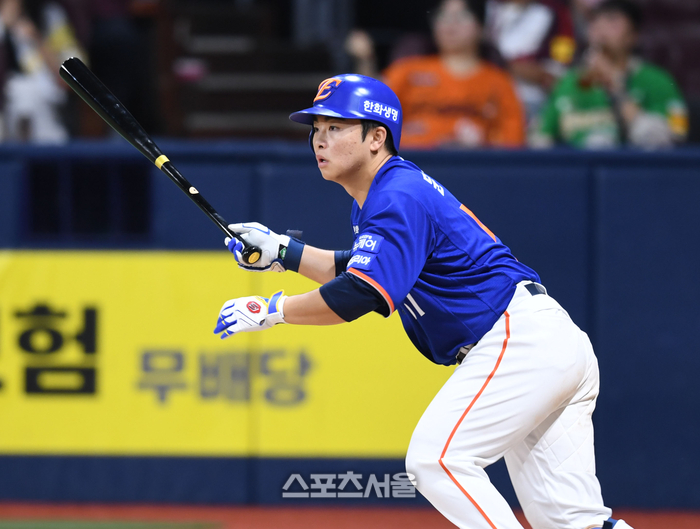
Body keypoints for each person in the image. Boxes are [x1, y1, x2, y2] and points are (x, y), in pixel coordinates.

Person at [213, 74, 634, 529]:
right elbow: (364, 268)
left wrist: (272, 310)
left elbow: (360, 292)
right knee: (575, 522)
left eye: (335, 127)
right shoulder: (390, 191)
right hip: (546, 343)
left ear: (377, 137)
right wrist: (283, 251)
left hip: (518, 341)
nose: (320, 139)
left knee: (437, 460)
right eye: (316, 128)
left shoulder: (395, 195)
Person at [348, 0, 525, 149]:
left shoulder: (498, 81)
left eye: (461, 17)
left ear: (480, 26)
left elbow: (513, 142)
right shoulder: (409, 70)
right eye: (442, 16)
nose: (450, 25)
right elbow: (370, 109)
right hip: (408, 163)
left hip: (473, 167)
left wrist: (482, 144)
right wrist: (366, 61)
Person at [532, 0, 688, 149]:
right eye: (595, 22)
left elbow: (672, 137)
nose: (601, 29)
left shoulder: (657, 80)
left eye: (612, 22)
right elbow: (540, 137)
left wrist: (616, 87)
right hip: (582, 165)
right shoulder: (570, 82)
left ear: (633, 36)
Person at [0, 0, 84, 142]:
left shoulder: (50, 15)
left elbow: (71, 80)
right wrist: (4, 24)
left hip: (48, 113)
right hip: (7, 116)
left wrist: (36, 38)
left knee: (25, 94)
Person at [485, 0, 576, 124]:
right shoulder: (488, 9)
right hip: (486, 98)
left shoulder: (555, 14)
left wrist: (506, 65)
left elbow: (557, 75)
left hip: (529, 101)